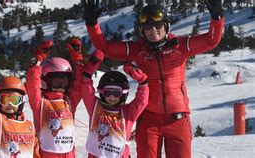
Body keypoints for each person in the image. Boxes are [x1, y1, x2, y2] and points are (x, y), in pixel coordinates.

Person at [83, 0, 224, 157]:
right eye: (148, 27)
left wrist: (217, 18)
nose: (153, 30)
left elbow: (212, 41)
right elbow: (105, 47)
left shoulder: (181, 46)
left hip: (177, 118)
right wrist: (92, 24)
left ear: (166, 26)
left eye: (158, 25)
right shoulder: (137, 49)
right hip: (149, 120)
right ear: (142, 30)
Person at [25, 39, 98, 157]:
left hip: (68, 154)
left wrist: (78, 61)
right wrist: (38, 61)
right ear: (45, 80)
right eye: (56, 82)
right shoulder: (40, 102)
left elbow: (78, 85)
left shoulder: (69, 101)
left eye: (64, 82)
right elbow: (32, 86)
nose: (60, 86)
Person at [81, 62, 149, 157]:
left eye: (116, 93)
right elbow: (86, 93)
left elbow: (141, 101)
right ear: (102, 92)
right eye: (108, 92)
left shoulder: (127, 112)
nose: (112, 97)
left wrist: (143, 83)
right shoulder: (95, 107)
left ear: (123, 94)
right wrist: (87, 76)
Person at [0, 58, 40, 158]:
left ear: (21, 102)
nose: (10, 104)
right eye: (5, 100)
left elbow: (35, 152)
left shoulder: (29, 126)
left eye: (14, 100)